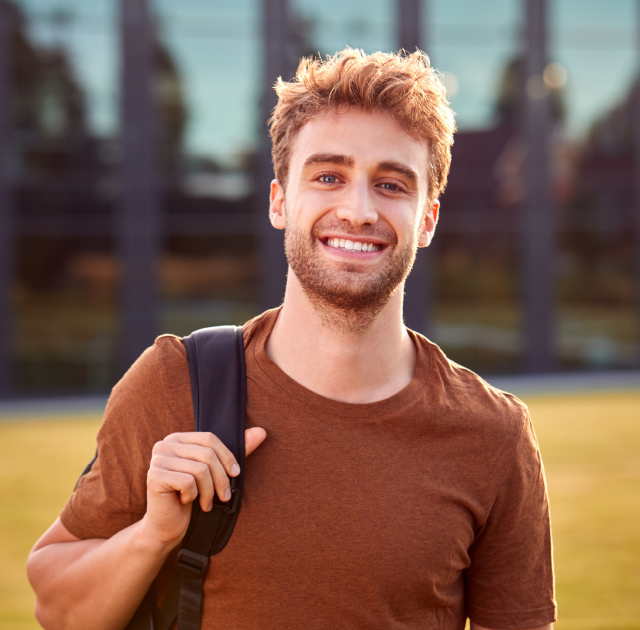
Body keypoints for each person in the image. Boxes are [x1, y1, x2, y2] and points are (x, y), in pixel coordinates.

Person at [27, 48, 556, 630]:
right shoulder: (176, 384)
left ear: (427, 218)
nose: (357, 210)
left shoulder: (494, 435)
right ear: (280, 200)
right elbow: (56, 608)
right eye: (329, 176)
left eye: (391, 184)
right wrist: (153, 535)